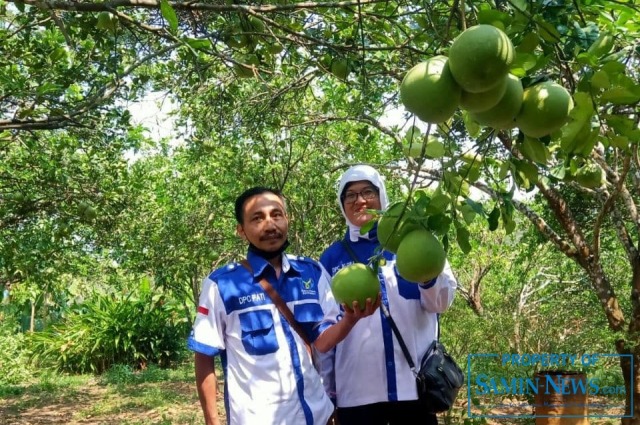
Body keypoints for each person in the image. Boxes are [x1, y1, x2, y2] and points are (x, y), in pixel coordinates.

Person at [187, 186, 380, 425]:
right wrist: (212, 421)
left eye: (276, 214)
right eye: (257, 218)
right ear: (241, 230)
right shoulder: (222, 285)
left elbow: (322, 341)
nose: (270, 225)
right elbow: (204, 356)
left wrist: (351, 320)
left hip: (317, 416)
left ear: (287, 219)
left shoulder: (311, 273)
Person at [319, 165, 458, 425]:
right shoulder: (331, 258)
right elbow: (326, 331)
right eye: (350, 195)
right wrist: (328, 394)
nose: (360, 200)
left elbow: (441, 303)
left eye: (368, 192)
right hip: (357, 394)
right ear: (342, 204)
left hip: (414, 389)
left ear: (382, 195)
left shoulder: (414, 241)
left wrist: (427, 276)